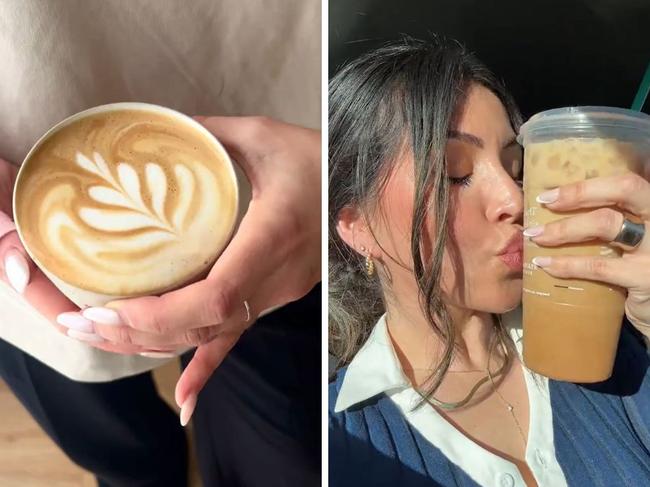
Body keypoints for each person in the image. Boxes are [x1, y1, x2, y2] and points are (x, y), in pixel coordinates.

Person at [0, 1, 321, 486]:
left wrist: (338, 163)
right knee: (119, 452)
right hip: (19, 237)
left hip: (263, 119)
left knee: (277, 457)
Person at [328, 38, 650, 487]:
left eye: (517, 168)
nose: (516, 198)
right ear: (357, 225)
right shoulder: (338, 443)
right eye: (454, 172)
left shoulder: (617, 351)